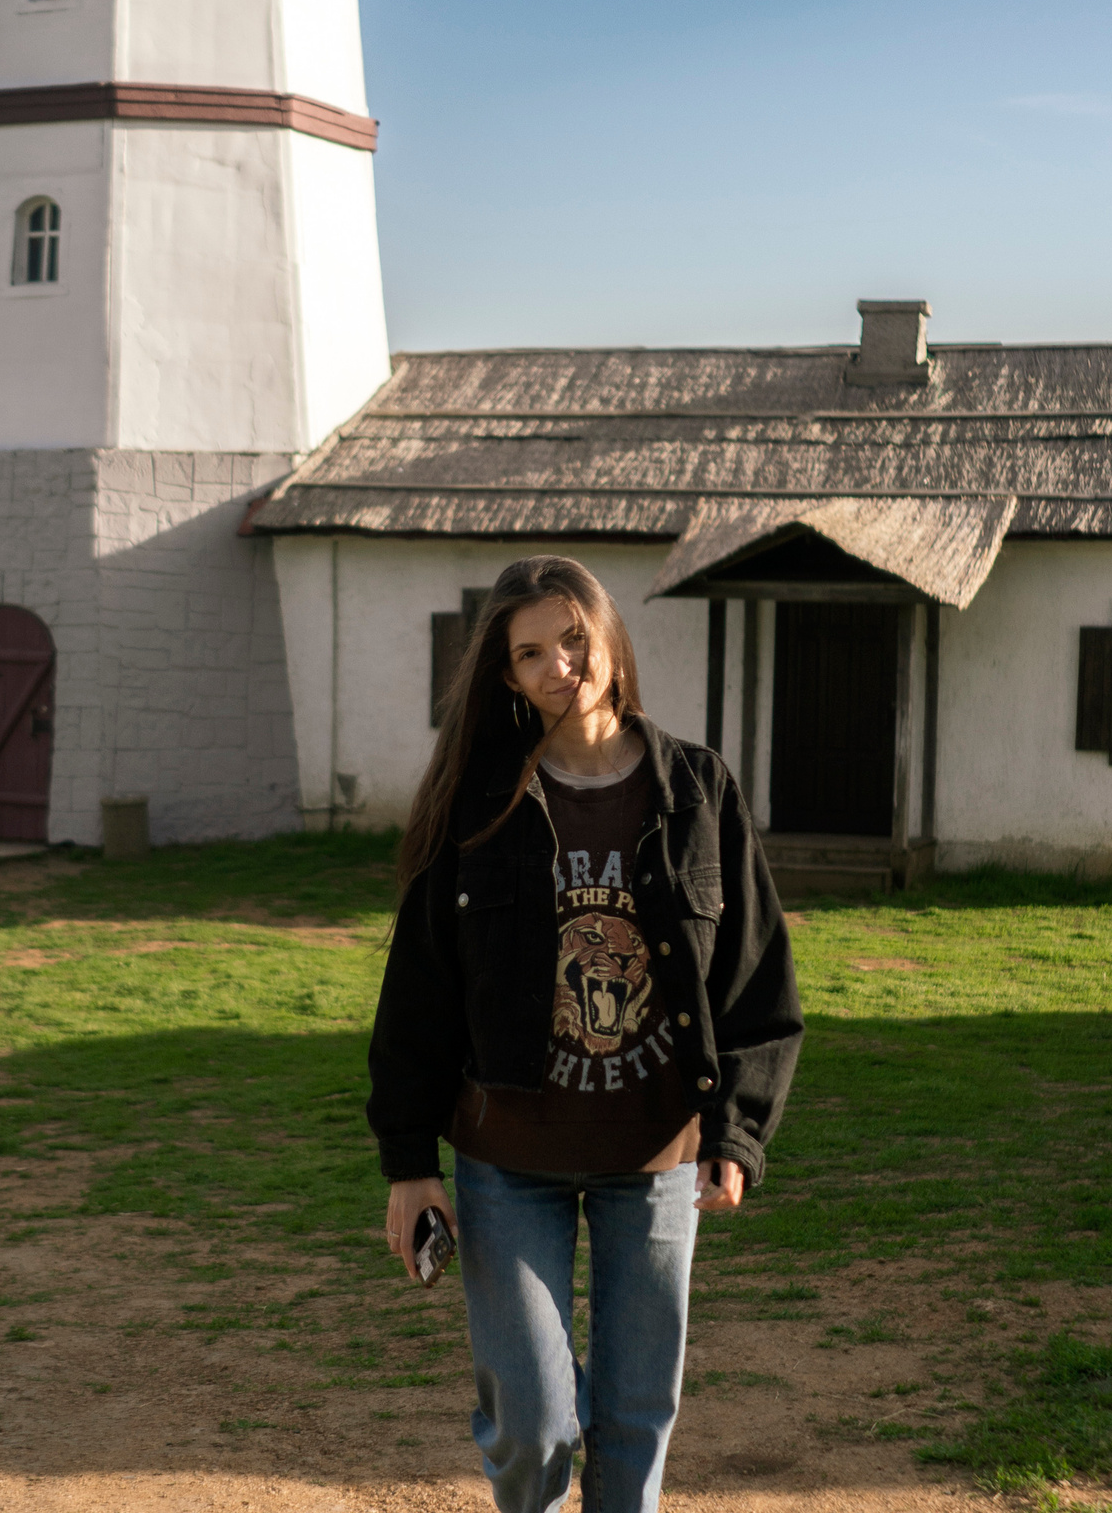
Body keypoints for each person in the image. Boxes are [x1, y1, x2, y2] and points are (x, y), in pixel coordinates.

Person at [368, 554, 802, 1513]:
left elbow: (756, 974)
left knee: (637, 1420)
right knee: (534, 1422)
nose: (560, 665)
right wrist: (409, 1163)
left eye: (573, 639)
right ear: (509, 676)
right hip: (506, 1156)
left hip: (655, 1158)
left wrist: (736, 1132)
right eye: (532, 654)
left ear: (607, 635)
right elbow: (420, 990)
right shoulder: (478, 801)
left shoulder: (697, 789)